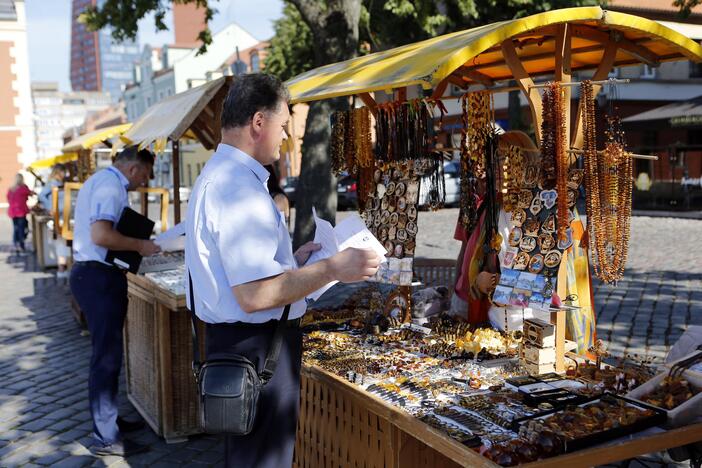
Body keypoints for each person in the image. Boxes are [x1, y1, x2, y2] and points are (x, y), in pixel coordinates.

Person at [185, 73, 380, 468]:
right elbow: (255, 294)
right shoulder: (237, 186)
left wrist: (292, 262)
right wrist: (331, 268)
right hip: (257, 349)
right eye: (283, 125)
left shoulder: (221, 176)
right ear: (259, 122)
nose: (286, 137)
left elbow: (243, 275)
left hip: (242, 345)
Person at [69, 146, 160, 457]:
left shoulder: (99, 180)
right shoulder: (111, 187)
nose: (143, 182)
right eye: (145, 175)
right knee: (105, 359)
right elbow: (101, 235)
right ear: (134, 169)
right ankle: (106, 437)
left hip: (92, 275)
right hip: (98, 277)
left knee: (106, 356)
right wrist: (141, 245)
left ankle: (109, 421)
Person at [38, 164, 71, 279]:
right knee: (61, 243)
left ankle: (64, 268)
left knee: (63, 243)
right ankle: (62, 269)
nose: (65, 174)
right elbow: (42, 195)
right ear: (59, 172)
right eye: (63, 172)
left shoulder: (59, 183)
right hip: (59, 217)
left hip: (64, 216)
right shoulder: (52, 183)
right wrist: (51, 208)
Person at [6, 173, 33, 254]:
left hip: (13, 212)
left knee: (16, 228)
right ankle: (21, 245)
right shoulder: (23, 188)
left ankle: (15, 244)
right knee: (22, 229)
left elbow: (8, 198)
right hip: (20, 212)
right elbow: (31, 193)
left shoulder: (11, 189)